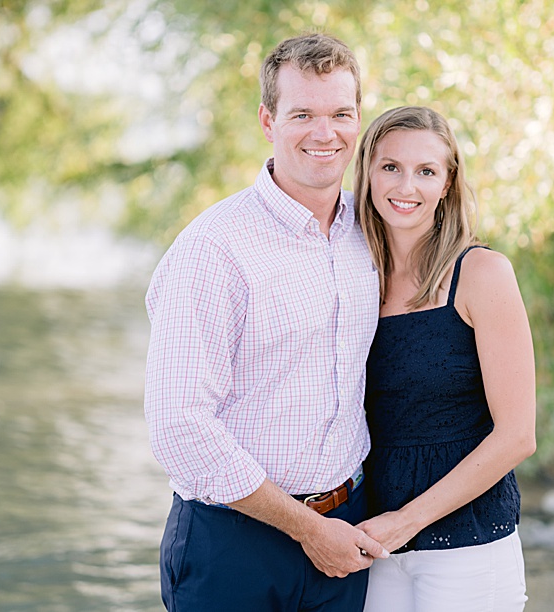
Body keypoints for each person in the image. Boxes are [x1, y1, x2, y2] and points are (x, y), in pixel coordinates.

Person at [144, 33, 388, 611]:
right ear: (267, 120)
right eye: (302, 113)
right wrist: (308, 530)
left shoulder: (373, 231)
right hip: (232, 544)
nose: (325, 133)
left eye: (340, 114)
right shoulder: (213, 248)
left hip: (348, 528)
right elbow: (179, 426)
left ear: (358, 120)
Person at [351, 106, 536, 611]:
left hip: (469, 548)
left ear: (447, 183)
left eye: (426, 171)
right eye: (390, 167)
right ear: (366, 171)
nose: (406, 185)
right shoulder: (352, 277)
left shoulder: (481, 273)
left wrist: (407, 520)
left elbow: (517, 435)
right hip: (374, 544)